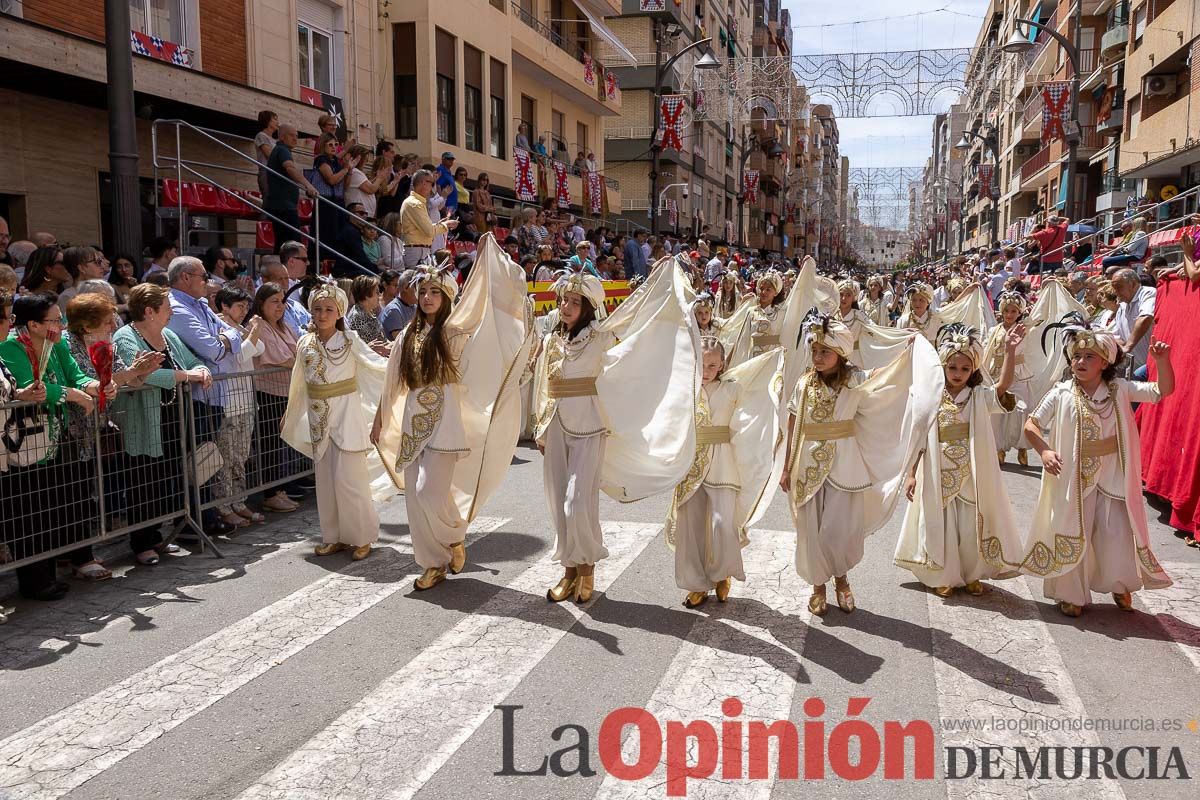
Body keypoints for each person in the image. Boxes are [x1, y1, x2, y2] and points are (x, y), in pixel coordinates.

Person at [373, 237, 532, 590]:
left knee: (431, 493)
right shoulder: (407, 336)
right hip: (413, 425)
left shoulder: (454, 334)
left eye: (435, 291)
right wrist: (380, 419)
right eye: (424, 290)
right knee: (415, 499)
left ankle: (454, 537)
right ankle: (433, 563)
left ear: (446, 298)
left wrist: (489, 261)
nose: (428, 297)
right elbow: (393, 380)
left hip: (445, 427)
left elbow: (486, 318)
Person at [533, 265, 698, 603]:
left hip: (590, 427)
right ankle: (568, 569)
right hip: (556, 425)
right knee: (557, 500)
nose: (566, 307)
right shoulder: (552, 339)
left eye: (575, 302)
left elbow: (637, 324)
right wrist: (539, 424)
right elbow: (542, 384)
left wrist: (663, 287)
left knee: (577, 501)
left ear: (588, 308)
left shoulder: (600, 336)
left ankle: (588, 565)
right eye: (564, 301)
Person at [780, 312, 941, 614]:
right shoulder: (803, 384)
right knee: (811, 531)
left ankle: (841, 579)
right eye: (814, 350)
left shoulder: (855, 380)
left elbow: (889, 380)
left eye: (825, 351)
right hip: (806, 467)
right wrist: (787, 466)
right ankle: (818, 586)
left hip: (845, 466)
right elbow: (794, 421)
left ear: (840, 354)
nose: (817, 356)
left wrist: (907, 351)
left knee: (838, 531)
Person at [1022, 321, 1174, 617]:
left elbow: (1160, 391)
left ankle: (1119, 583)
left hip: (1114, 477)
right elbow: (1031, 424)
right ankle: (1071, 594)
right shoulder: (1062, 392)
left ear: (1105, 362)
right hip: (1073, 478)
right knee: (1073, 531)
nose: (1080, 362)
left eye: (1089, 356)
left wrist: (1162, 363)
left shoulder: (1120, 390)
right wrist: (1045, 450)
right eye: (1077, 356)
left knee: (1114, 532)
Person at [896, 323, 1026, 597]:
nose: (958, 374)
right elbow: (918, 437)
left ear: (974, 371)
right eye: (952, 368)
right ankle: (941, 574)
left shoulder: (978, 396)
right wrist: (911, 473)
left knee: (969, 525)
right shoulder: (931, 396)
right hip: (936, 469)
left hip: (971, 472)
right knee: (938, 523)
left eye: (965, 369)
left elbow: (1002, 387)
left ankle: (971, 574)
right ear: (943, 366)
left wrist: (1010, 351)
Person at [0, 293, 114, 598]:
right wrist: (75, 395)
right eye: (54, 319)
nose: (60, 324)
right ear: (34, 324)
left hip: (56, 434)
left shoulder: (57, 342)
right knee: (28, 511)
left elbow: (74, 373)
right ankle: (35, 581)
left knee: (54, 505)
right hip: (24, 442)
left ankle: (50, 573)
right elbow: (31, 386)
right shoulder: (10, 346)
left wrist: (93, 385)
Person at [666, 339, 782, 607]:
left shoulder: (732, 390)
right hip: (691, 463)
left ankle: (721, 574)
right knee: (691, 525)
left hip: (723, 461)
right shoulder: (685, 388)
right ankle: (697, 584)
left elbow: (755, 409)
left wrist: (775, 371)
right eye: (702, 364)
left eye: (712, 365)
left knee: (722, 523)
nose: (706, 370)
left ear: (722, 366)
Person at [281, 282, 388, 560]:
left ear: (340, 312)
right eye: (317, 309)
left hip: (347, 414)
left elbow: (375, 366)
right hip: (319, 418)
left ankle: (362, 536)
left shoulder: (350, 341)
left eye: (329, 309)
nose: (322, 314)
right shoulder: (305, 342)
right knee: (326, 482)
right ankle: (334, 536)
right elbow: (298, 383)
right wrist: (292, 413)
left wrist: (398, 363)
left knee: (350, 481)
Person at [210, 284, 266, 527]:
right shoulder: (218, 326)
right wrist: (253, 331)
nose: (244, 311)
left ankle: (239, 501)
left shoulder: (240, 328)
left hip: (246, 400)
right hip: (228, 402)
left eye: (246, 306)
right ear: (224, 306)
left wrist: (249, 332)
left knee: (241, 455)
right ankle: (223, 505)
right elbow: (241, 355)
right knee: (226, 456)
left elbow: (259, 348)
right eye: (239, 306)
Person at [247, 282, 302, 513]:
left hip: (286, 392)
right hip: (268, 393)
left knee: (281, 443)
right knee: (269, 443)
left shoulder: (285, 326)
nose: (280, 307)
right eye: (274, 302)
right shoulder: (261, 327)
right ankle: (270, 493)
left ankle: (280, 488)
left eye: (282, 301)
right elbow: (284, 359)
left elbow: (299, 350)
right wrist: (301, 360)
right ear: (261, 303)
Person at [984, 291, 1034, 466]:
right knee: (996, 413)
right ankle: (999, 449)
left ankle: (1022, 447)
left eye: (1014, 311)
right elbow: (987, 350)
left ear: (1020, 312)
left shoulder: (1026, 328)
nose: (1010, 314)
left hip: (1019, 374)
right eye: (1007, 311)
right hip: (997, 372)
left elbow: (1041, 315)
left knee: (1022, 411)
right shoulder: (993, 330)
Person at [265, 125, 320, 255]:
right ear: (282, 137)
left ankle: (279, 273)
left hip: (282, 205)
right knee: (293, 245)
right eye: (292, 135)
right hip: (283, 207)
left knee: (283, 244)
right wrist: (308, 185)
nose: (295, 139)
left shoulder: (280, 150)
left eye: (297, 136)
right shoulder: (282, 150)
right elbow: (290, 168)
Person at [400, 169, 458, 266]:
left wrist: (440, 224)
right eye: (431, 183)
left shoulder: (417, 202)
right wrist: (445, 225)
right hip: (416, 252)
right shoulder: (415, 204)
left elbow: (426, 229)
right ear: (423, 183)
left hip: (421, 251)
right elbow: (429, 231)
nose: (432, 187)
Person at [1111, 268, 1156, 374]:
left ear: (1133, 284)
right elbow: (1118, 336)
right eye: (1114, 288)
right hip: (1132, 367)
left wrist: (1128, 347)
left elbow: (1146, 317)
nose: (1115, 292)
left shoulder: (1147, 293)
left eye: (1119, 287)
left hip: (1151, 366)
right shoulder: (1122, 306)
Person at [57, 246, 108, 311]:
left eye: (101, 261)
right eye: (97, 262)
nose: (102, 266)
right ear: (81, 268)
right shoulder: (68, 297)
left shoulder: (100, 292)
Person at [344, 144, 387, 220]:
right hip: (360, 215)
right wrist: (380, 178)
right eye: (366, 159)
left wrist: (377, 177)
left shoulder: (357, 172)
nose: (366, 162)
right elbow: (371, 189)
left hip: (365, 214)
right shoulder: (355, 172)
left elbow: (366, 185)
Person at [345, 275, 388, 348]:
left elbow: (383, 341)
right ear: (366, 295)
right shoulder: (358, 317)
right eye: (377, 292)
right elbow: (374, 348)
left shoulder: (369, 312)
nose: (380, 295)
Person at [379, 268, 418, 341]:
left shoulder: (415, 307)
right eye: (416, 287)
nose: (419, 291)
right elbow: (401, 342)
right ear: (406, 287)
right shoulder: (393, 311)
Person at [254, 110, 279, 199]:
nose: (277, 122)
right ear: (267, 121)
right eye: (275, 119)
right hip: (266, 172)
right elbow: (269, 155)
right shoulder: (261, 135)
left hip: (276, 172)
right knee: (269, 200)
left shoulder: (275, 140)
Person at [436, 152, 459, 217]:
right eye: (449, 159)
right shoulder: (440, 170)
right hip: (446, 206)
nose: (451, 161)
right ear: (443, 159)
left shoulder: (448, 171)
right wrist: (441, 204)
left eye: (452, 159)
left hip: (451, 207)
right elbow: (438, 186)